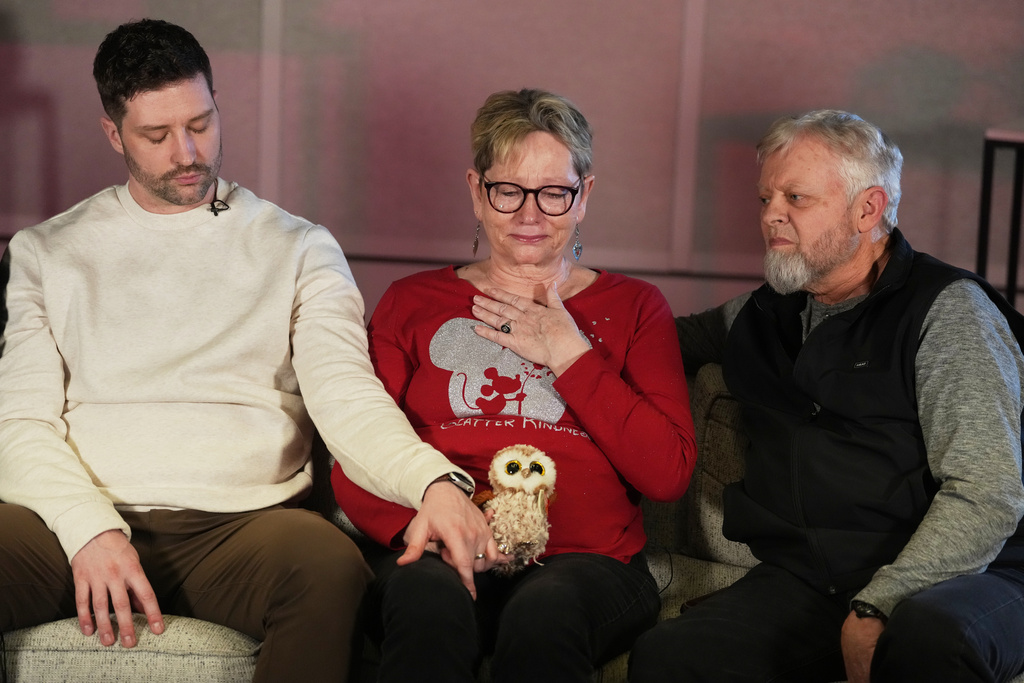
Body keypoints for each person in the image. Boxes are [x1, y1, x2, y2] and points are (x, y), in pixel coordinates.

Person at [0, 18, 493, 682]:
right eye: (157, 135)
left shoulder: (299, 247)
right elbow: (19, 423)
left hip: (239, 531)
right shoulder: (45, 252)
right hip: (71, 522)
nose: (187, 152)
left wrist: (432, 480)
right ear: (113, 134)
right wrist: (89, 527)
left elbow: (346, 397)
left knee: (328, 564)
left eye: (201, 123)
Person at [628, 109, 1024, 683]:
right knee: (673, 658)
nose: (772, 216)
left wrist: (878, 603)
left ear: (868, 208)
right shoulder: (766, 311)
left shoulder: (949, 313)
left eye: (796, 197)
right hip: (815, 577)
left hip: (974, 574)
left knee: (926, 640)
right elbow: (660, 340)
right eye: (766, 199)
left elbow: (986, 494)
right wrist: (572, 313)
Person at [331, 88, 698, 682]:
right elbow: (355, 452)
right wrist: (428, 524)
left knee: (545, 613)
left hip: (589, 563)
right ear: (477, 192)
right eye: (509, 191)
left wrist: (568, 351)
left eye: (555, 193)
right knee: (426, 603)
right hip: (439, 553)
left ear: (584, 198)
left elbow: (668, 472)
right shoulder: (412, 302)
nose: (531, 215)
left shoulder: (634, 307)